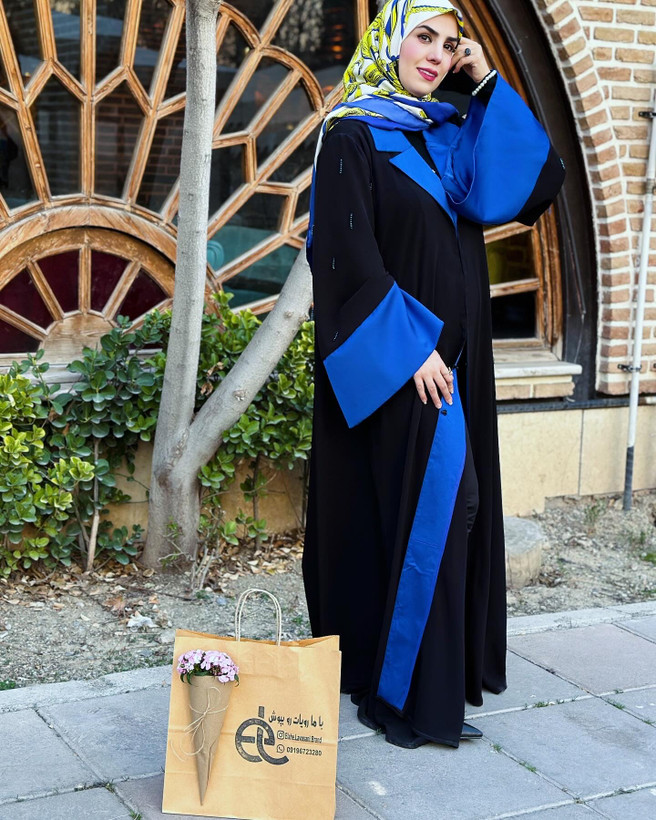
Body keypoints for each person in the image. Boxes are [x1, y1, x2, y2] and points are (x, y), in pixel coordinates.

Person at [302, 0, 565, 749]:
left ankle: (419, 680)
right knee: (440, 511)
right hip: (406, 367)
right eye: (423, 36)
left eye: (450, 45)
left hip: (458, 366)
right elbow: (345, 255)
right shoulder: (351, 135)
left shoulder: (445, 131)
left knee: (444, 511)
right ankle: (402, 697)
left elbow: (535, 183)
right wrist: (407, 349)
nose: (437, 55)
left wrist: (483, 84)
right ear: (389, 40)